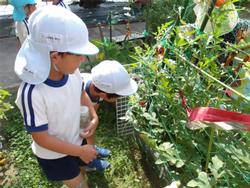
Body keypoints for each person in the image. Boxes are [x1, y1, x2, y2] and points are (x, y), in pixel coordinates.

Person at [14, 5, 108, 187]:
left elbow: (80, 94)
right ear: (55, 57)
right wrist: (78, 151)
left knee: (80, 170)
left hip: (75, 141)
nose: (82, 60)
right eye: (78, 55)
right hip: (54, 155)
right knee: (79, 184)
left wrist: (93, 116)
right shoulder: (33, 92)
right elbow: (41, 138)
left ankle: (82, 168)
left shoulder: (73, 72)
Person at [80, 60, 138, 144]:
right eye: (118, 96)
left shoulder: (98, 85)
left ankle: (91, 148)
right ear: (103, 95)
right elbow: (84, 127)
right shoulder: (79, 99)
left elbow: (91, 117)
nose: (119, 98)